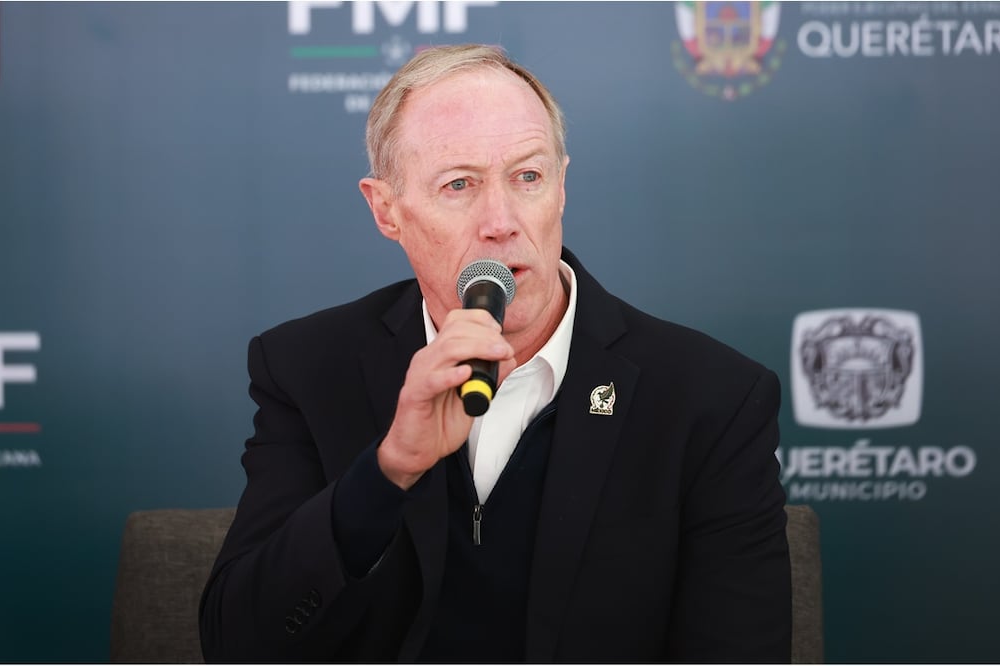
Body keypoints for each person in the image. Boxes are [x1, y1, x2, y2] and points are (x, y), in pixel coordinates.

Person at [199, 44, 790, 663]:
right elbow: (237, 644)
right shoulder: (307, 367)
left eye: (527, 177)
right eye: (459, 184)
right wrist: (387, 471)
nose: (501, 221)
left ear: (561, 188)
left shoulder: (710, 399)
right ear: (386, 210)